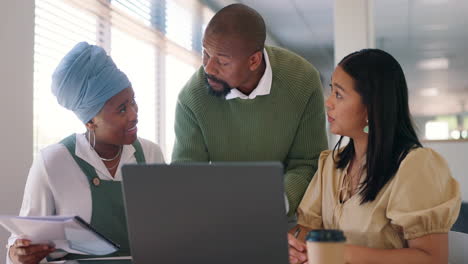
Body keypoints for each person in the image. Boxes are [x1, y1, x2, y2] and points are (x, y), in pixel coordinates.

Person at [287, 49, 461, 264]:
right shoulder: (331, 164)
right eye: (331, 90)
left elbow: (432, 258)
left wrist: (340, 253)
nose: (328, 102)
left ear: (371, 107)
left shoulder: (416, 165)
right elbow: (307, 228)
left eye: (339, 95)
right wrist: (294, 244)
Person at [7, 42, 165, 264]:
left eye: (133, 101)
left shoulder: (150, 154)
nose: (134, 114)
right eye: (122, 109)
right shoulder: (53, 162)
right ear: (90, 121)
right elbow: (22, 242)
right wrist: (18, 255)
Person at [171, 3, 328, 217]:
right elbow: (186, 174)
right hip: (220, 216)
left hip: (283, 216)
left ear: (254, 60)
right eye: (206, 53)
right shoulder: (192, 97)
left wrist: (272, 205)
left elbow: (307, 163)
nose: (208, 68)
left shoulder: (302, 80)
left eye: (222, 62)